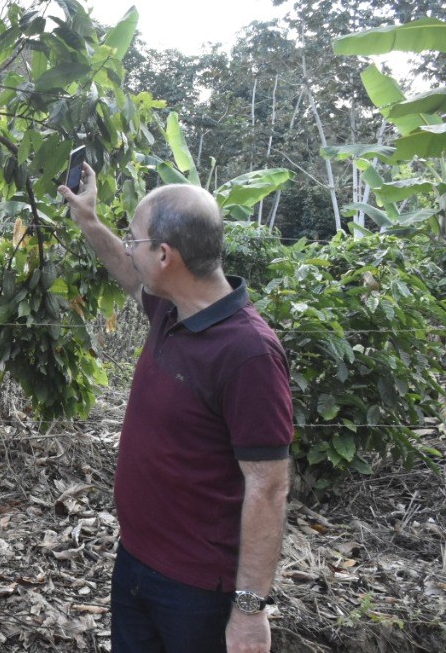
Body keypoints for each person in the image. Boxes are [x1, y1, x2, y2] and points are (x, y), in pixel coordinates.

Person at [59, 165, 293, 653]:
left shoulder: (248, 354)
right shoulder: (173, 308)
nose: (129, 248)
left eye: (135, 240)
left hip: (195, 591)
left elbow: (268, 486)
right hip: (137, 561)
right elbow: (128, 275)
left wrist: (250, 612)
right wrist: (89, 222)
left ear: (165, 255)